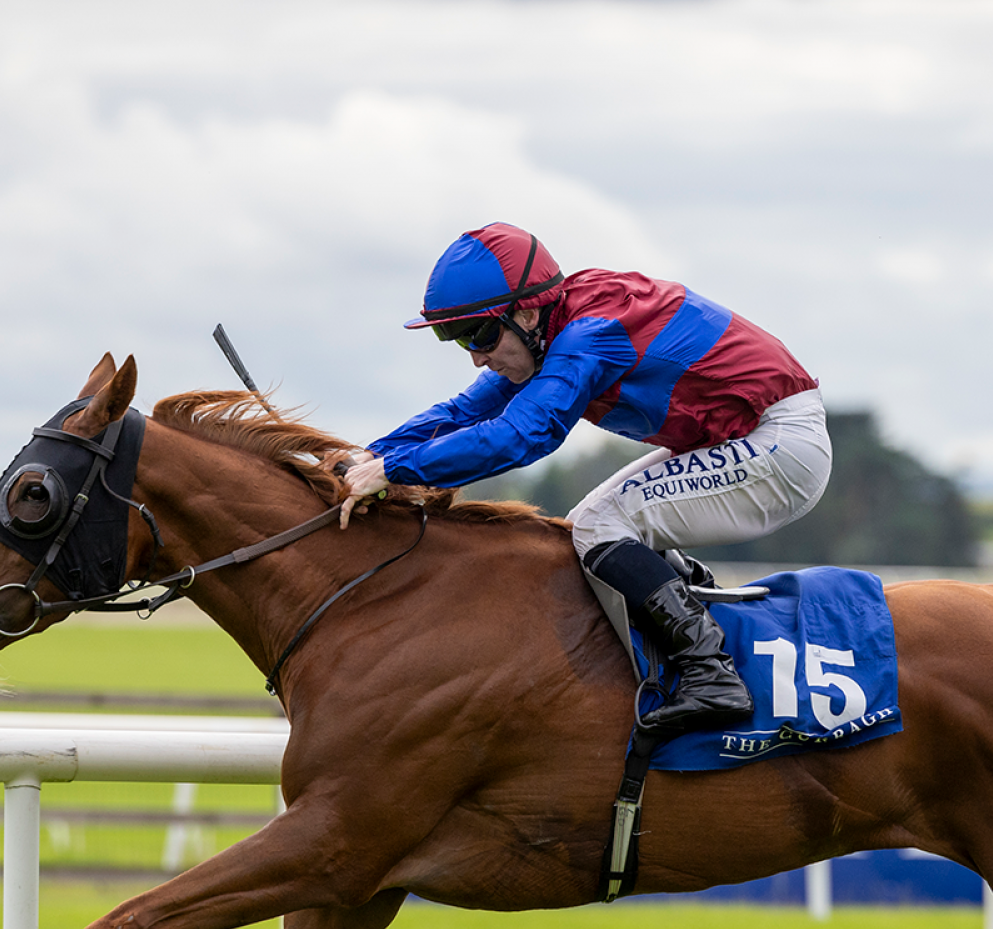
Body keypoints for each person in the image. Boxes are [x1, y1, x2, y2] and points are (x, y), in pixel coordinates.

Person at [343, 222, 830, 738]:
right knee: (584, 528)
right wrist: (365, 456)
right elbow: (466, 410)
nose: (476, 356)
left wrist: (394, 471)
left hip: (780, 444)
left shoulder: (590, 332)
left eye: (479, 334)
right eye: (455, 337)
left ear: (527, 312)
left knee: (600, 525)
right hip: (742, 440)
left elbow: (524, 434)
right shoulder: (556, 326)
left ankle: (711, 674)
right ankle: (693, 610)